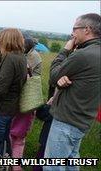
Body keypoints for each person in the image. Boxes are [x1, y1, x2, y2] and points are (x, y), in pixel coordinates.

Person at [44, 13, 100, 171]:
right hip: (82, 120)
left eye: (75, 29)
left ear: (87, 29)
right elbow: (83, 83)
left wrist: (65, 50)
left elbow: (54, 76)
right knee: (70, 163)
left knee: (52, 167)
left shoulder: (83, 55)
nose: (72, 34)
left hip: (67, 121)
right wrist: (63, 84)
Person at [0, 28, 27, 169]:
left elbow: (1, 87)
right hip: (9, 109)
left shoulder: (10, 58)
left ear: (7, 40)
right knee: (4, 141)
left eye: (1, 37)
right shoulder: (21, 57)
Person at [9, 36, 42, 171]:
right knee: (20, 138)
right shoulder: (36, 57)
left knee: (10, 135)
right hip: (29, 103)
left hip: (18, 103)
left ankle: (7, 163)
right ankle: (16, 166)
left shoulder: (19, 59)